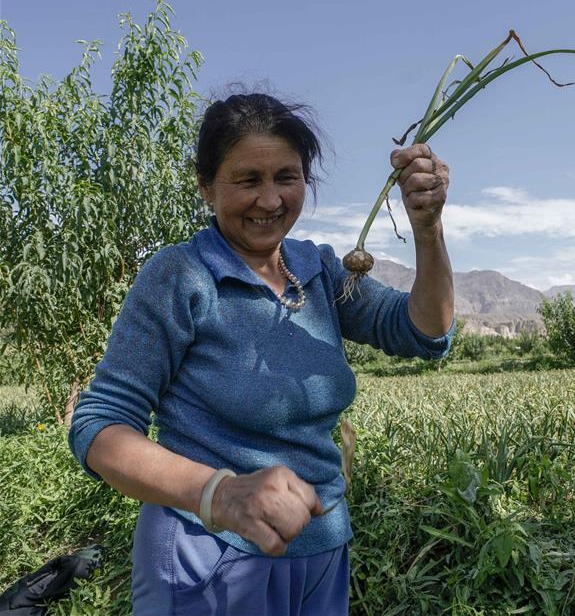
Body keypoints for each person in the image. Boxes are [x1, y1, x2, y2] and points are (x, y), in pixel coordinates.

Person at [67, 92, 456, 615]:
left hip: (321, 550)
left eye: (286, 177)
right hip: (207, 557)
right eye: (248, 180)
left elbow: (423, 331)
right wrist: (221, 494)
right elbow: (100, 426)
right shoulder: (182, 277)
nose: (270, 201)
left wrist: (428, 229)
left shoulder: (319, 270)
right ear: (206, 186)